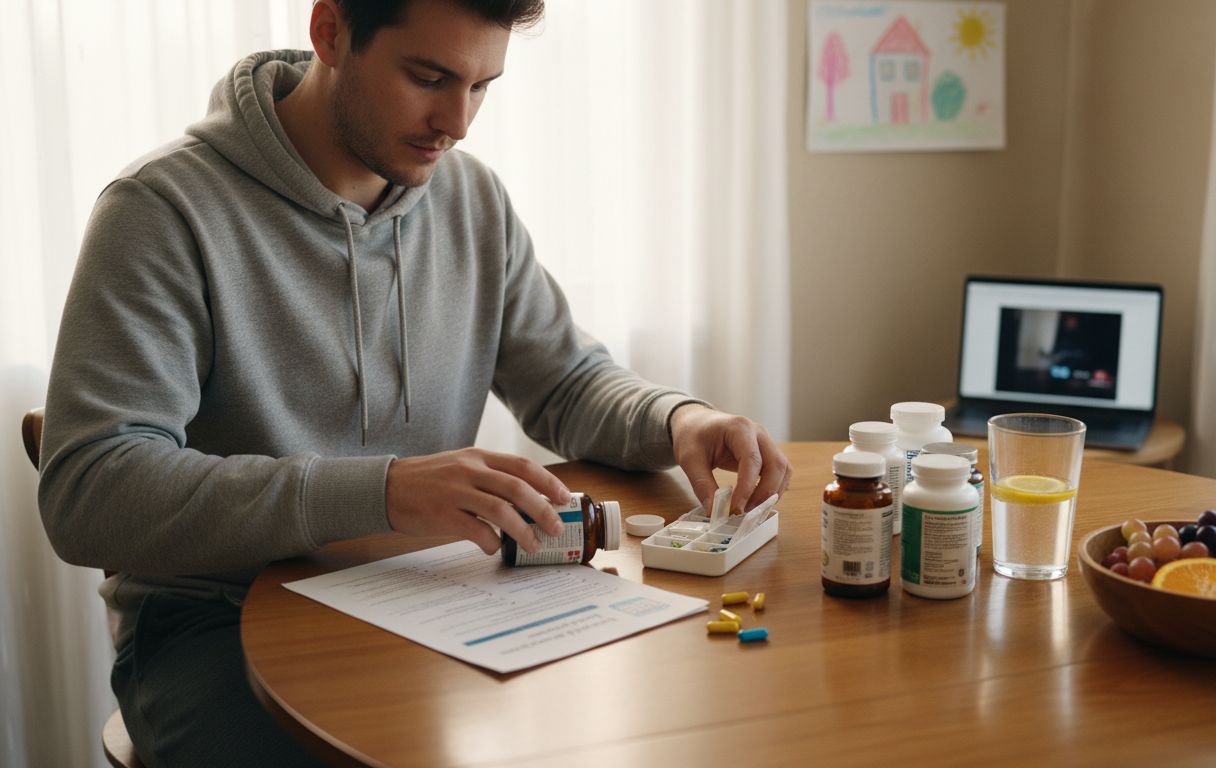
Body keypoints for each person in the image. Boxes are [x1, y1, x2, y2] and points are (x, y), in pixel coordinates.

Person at [38, 0, 791, 764]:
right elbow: (89, 490)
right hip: (214, 624)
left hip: (431, 597)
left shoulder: (472, 200)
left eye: (481, 86)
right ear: (330, 32)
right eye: (429, 77)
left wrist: (677, 421)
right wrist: (383, 490)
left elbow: (563, 379)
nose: (457, 122)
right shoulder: (161, 212)